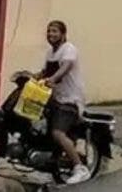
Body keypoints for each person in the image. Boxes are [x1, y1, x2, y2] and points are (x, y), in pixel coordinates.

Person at [37, 20, 89, 185]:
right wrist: (30, 76)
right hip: (55, 99)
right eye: (49, 31)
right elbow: (45, 71)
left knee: (58, 133)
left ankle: (80, 168)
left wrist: (53, 79)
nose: (51, 34)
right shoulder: (50, 53)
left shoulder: (69, 49)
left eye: (55, 31)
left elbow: (65, 67)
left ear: (63, 34)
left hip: (70, 100)